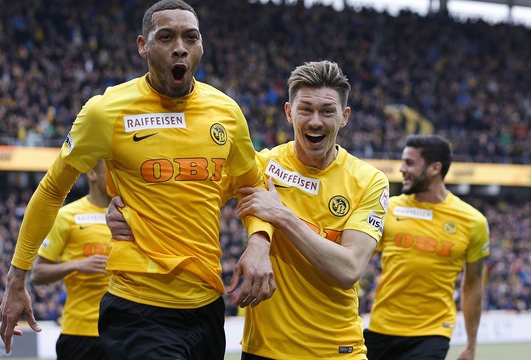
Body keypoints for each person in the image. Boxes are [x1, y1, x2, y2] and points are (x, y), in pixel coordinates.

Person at [0, 1, 276, 359]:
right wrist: (16, 276)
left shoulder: (227, 112)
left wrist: (258, 243)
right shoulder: (106, 111)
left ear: (201, 47)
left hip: (206, 306)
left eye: (190, 37)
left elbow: (251, 186)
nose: (180, 47)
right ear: (143, 46)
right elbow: (53, 189)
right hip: (138, 308)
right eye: (166, 37)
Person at [107, 60, 391, 359]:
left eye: (327, 111)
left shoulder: (368, 181)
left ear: (344, 116)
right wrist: (124, 209)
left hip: (336, 351)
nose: (315, 121)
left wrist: (281, 216)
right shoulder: (261, 166)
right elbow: (182, 198)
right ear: (289, 112)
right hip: (262, 351)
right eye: (305, 109)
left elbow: (348, 269)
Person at [364, 134, 490, 360]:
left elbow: (473, 284)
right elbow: (355, 260)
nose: (401, 169)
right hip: (380, 328)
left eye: (409, 163)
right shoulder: (387, 209)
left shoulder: (473, 222)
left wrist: (471, 345)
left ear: (435, 168)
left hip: (432, 333)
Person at [30, 160, 111, 360]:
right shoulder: (68, 216)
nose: (118, 176)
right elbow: (38, 274)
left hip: (122, 331)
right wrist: (77, 265)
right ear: (92, 174)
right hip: (79, 333)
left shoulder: (132, 215)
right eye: (111, 170)